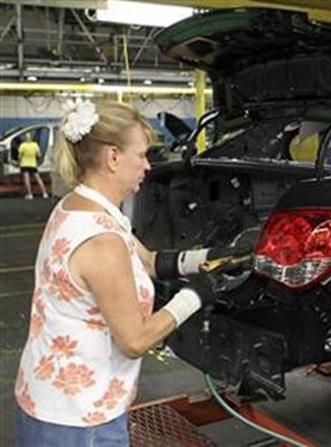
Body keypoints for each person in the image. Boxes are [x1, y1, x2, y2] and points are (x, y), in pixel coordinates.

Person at [14, 99, 216, 446]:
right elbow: (134, 341)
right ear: (112, 157)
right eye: (141, 155)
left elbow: (150, 262)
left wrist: (215, 257)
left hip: (54, 398)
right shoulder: (101, 240)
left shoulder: (83, 207)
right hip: (80, 421)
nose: (148, 166)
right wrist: (197, 294)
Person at [18, 133, 49, 199]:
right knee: (38, 179)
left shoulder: (22, 145)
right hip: (33, 164)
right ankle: (44, 193)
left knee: (27, 180)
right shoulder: (35, 145)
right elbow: (39, 155)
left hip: (24, 164)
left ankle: (30, 194)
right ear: (31, 138)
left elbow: (20, 156)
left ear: (25, 138)